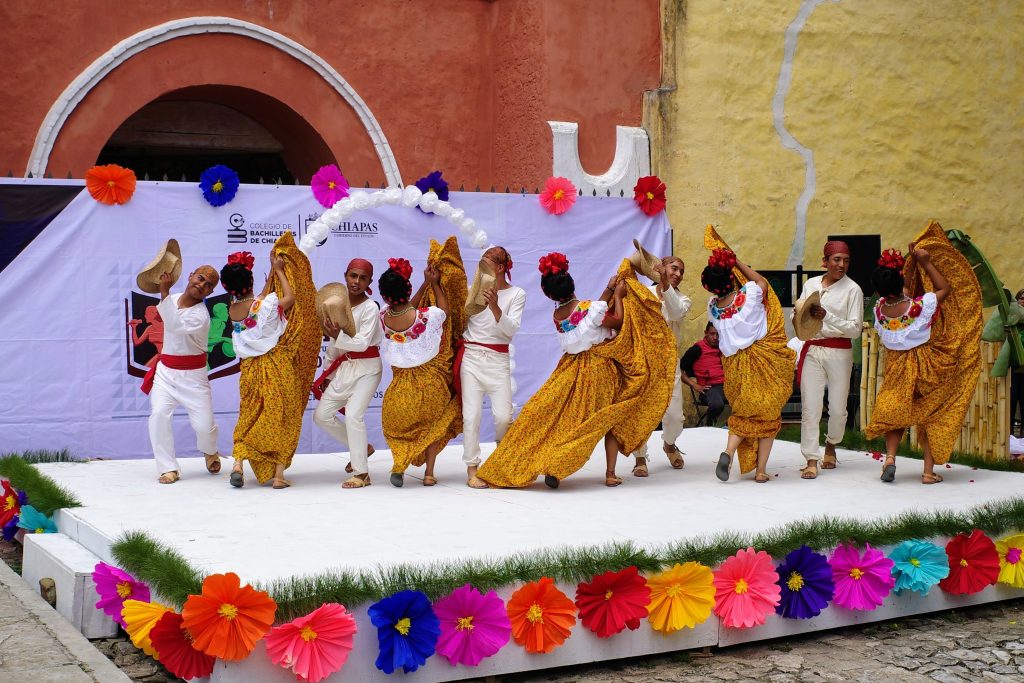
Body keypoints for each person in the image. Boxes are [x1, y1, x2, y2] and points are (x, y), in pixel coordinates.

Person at [475, 252, 675, 489]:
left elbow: (588, 316)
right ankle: (608, 473)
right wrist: (618, 296)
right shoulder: (590, 309)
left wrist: (609, 290)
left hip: (571, 370)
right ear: (571, 283)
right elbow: (616, 321)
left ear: (550, 295)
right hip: (599, 370)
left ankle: (545, 464)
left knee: (563, 422)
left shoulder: (558, 315)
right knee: (602, 420)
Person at [866, 221, 982, 484]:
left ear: (879, 291)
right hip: (926, 365)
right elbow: (944, 289)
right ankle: (928, 472)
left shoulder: (880, 310)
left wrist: (911, 266)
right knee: (933, 413)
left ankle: (890, 458)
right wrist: (926, 263)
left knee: (896, 413)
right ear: (899, 283)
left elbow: (903, 289)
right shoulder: (919, 306)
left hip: (897, 369)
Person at [221, 233, 320, 489]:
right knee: (282, 414)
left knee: (249, 414)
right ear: (250, 281)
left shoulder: (234, 310)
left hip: (250, 370)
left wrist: (269, 277)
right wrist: (280, 273)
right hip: (276, 365)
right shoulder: (265, 305)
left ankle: (238, 463)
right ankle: (278, 475)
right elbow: (289, 298)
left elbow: (257, 302)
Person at [702, 226, 795, 483]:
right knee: (769, 414)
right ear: (731, 277)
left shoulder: (713, 309)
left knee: (743, 413)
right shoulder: (749, 295)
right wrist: (738, 263)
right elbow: (763, 283)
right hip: (764, 359)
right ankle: (761, 471)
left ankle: (728, 451)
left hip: (736, 366)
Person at [379, 237, 467, 487]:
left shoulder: (383, 316)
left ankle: (399, 464)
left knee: (399, 428)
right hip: (430, 383)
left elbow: (405, 307)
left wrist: (423, 285)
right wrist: (434, 284)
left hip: (401, 386)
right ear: (407, 290)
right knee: (432, 427)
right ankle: (429, 473)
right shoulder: (426, 317)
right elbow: (444, 311)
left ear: (385, 296)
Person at [142, 265, 221, 484]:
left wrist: (164, 291)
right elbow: (168, 316)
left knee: (204, 428)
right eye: (200, 278)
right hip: (165, 374)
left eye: (208, 285)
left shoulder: (200, 316)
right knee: (158, 415)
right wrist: (166, 293)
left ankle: (210, 451)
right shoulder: (173, 298)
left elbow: (174, 325)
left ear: (210, 292)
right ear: (190, 276)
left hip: (194, 378)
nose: (202, 285)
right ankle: (168, 468)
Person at [792, 240, 864, 480]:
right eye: (837, 260)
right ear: (825, 261)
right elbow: (800, 312)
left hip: (839, 352)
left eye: (846, 260)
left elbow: (855, 329)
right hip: (813, 349)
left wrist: (827, 316)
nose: (841, 265)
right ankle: (811, 459)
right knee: (810, 408)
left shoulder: (853, 289)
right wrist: (797, 316)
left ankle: (831, 444)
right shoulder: (811, 284)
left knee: (837, 409)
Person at [458, 247, 526, 489]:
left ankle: (501, 460)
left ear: (500, 268)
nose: (481, 268)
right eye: (480, 263)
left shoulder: (517, 294)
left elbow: (510, 330)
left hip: (498, 360)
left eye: (486, 264)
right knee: (471, 416)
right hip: (472, 357)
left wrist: (495, 306)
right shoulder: (472, 290)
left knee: (503, 417)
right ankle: (472, 469)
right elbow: (460, 321)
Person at [313, 259, 383, 489]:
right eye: (353, 276)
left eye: (363, 278)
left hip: (368, 369)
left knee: (353, 415)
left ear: (369, 281)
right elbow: (335, 347)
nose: (357, 281)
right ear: (345, 276)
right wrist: (327, 375)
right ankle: (362, 449)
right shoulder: (336, 305)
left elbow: (361, 343)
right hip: (344, 368)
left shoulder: (370, 308)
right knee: (321, 416)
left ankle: (361, 473)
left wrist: (337, 335)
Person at [630, 255, 691, 476]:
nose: (678, 274)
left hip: (669, 362)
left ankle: (669, 443)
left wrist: (665, 284)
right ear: (661, 267)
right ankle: (639, 457)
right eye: (674, 268)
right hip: (644, 360)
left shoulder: (683, 300)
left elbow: (675, 312)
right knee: (640, 411)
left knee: (675, 416)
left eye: (681, 271)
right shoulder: (643, 292)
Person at [679, 322, 727, 424]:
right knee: (717, 405)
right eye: (712, 334)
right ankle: (709, 426)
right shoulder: (697, 349)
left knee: (746, 400)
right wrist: (695, 385)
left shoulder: (723, 347)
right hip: (709, 389)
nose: (715, 337)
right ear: (706, 333)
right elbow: (678, 370)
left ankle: (733, 427)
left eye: (718, 334)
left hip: (725, 387)